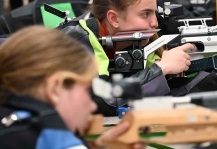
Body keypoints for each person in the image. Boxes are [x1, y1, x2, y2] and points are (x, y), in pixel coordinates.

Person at [59, 0, 217, 117]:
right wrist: (161, 68)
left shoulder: (136, 44)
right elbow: (104, 101)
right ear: (113, 18)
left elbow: (175, 95)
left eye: (154, 13)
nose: (155, 23)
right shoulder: (75, 41)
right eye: (145, 14)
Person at [0, 26, 144, 149]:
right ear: (55, 88)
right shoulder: (53, 135)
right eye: (87, 90)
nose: (93, 106)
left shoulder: (16, 126)